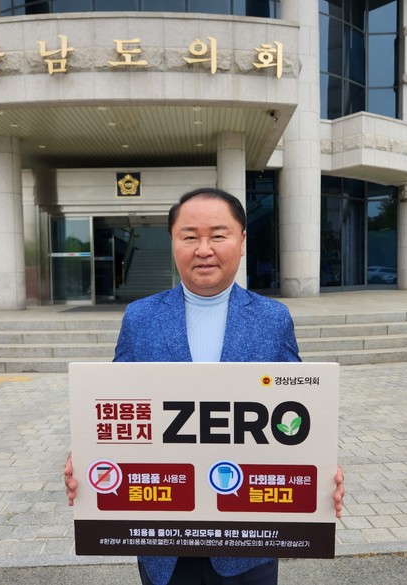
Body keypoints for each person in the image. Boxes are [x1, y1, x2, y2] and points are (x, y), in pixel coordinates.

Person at [64, 187, 345, 585]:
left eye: (218, 235)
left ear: (242, 241)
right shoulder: (140, 318)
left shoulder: (273, 319)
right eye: (190, 236)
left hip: (247, 539)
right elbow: (114, 404)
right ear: (173, 242)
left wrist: (321, 470)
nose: (203, 249)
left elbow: (298, 410)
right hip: (163, 538)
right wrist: (86, 457)